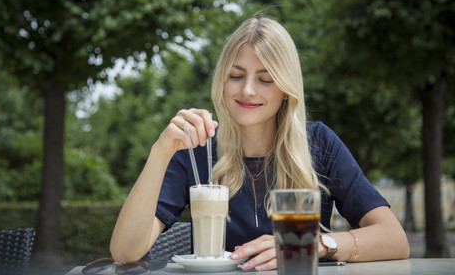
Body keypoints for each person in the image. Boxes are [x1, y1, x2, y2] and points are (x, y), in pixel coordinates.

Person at [110, 17, 410, 271]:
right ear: (222, 82)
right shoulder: (196, 149)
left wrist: (308, 246)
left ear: (286, 91)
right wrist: (160, 152)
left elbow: (394, 239)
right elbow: (125, 254)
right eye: (236, 75)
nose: (248, 90)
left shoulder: (318, 143)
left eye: (266, 79)